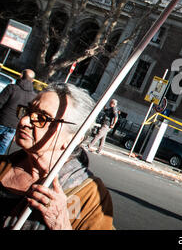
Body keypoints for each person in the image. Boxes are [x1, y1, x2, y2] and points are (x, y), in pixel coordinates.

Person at [0, 83, 113, 230]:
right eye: (27, 111)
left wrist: (61, 225)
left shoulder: (91, 196)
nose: (24, 121)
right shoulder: (3, 165)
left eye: (42, 118)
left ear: (74, 138)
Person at [0, 69, 36, 155]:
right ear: (33, 81)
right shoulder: (33, 96)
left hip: (2, 120)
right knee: (2, 149)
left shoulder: (12, 88)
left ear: (21, 76)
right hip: (14, 127)